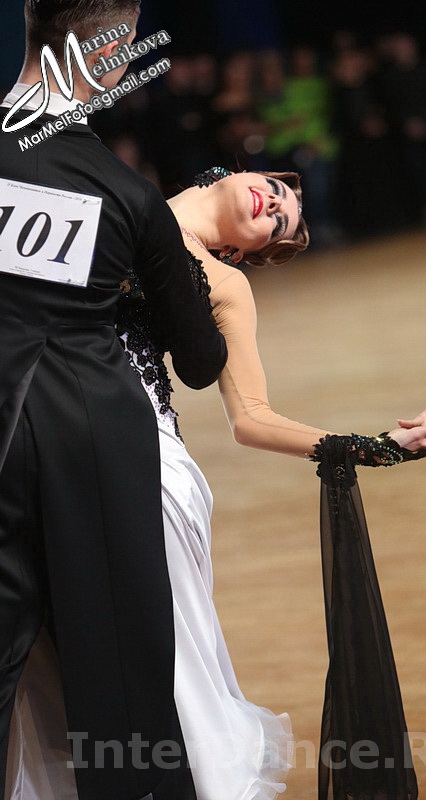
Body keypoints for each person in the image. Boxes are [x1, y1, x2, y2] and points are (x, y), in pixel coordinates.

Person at [7, 167, 426, 800]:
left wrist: (374, 447)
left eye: (278, 223)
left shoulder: (223, 283)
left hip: (141, 470)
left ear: (238, 251)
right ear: (236, 172)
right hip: (34, 445)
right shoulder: (107, 193)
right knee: (47, 669)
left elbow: (250, 418)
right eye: (277, 192)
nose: (273, 205)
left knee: (165, 667)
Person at [0, 2, 228, 799]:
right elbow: (200, 361)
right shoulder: (126, 194)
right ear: (108, 52)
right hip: (88, 444)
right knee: (122, 693)